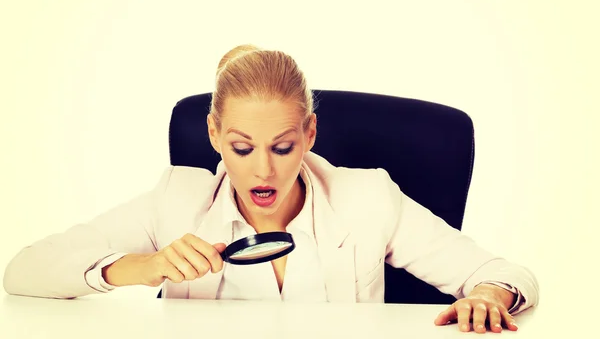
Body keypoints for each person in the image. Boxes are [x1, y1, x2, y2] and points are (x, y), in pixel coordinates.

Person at [3, 44, 539, 334]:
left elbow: (504, 274)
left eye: (283, 147)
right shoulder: (176, 199)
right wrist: (140, 268)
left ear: (309, 133)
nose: (264, 171)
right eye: (241, 148)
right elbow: (22, 270)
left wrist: (491, 294)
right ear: (212, 134)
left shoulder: (368, 198)